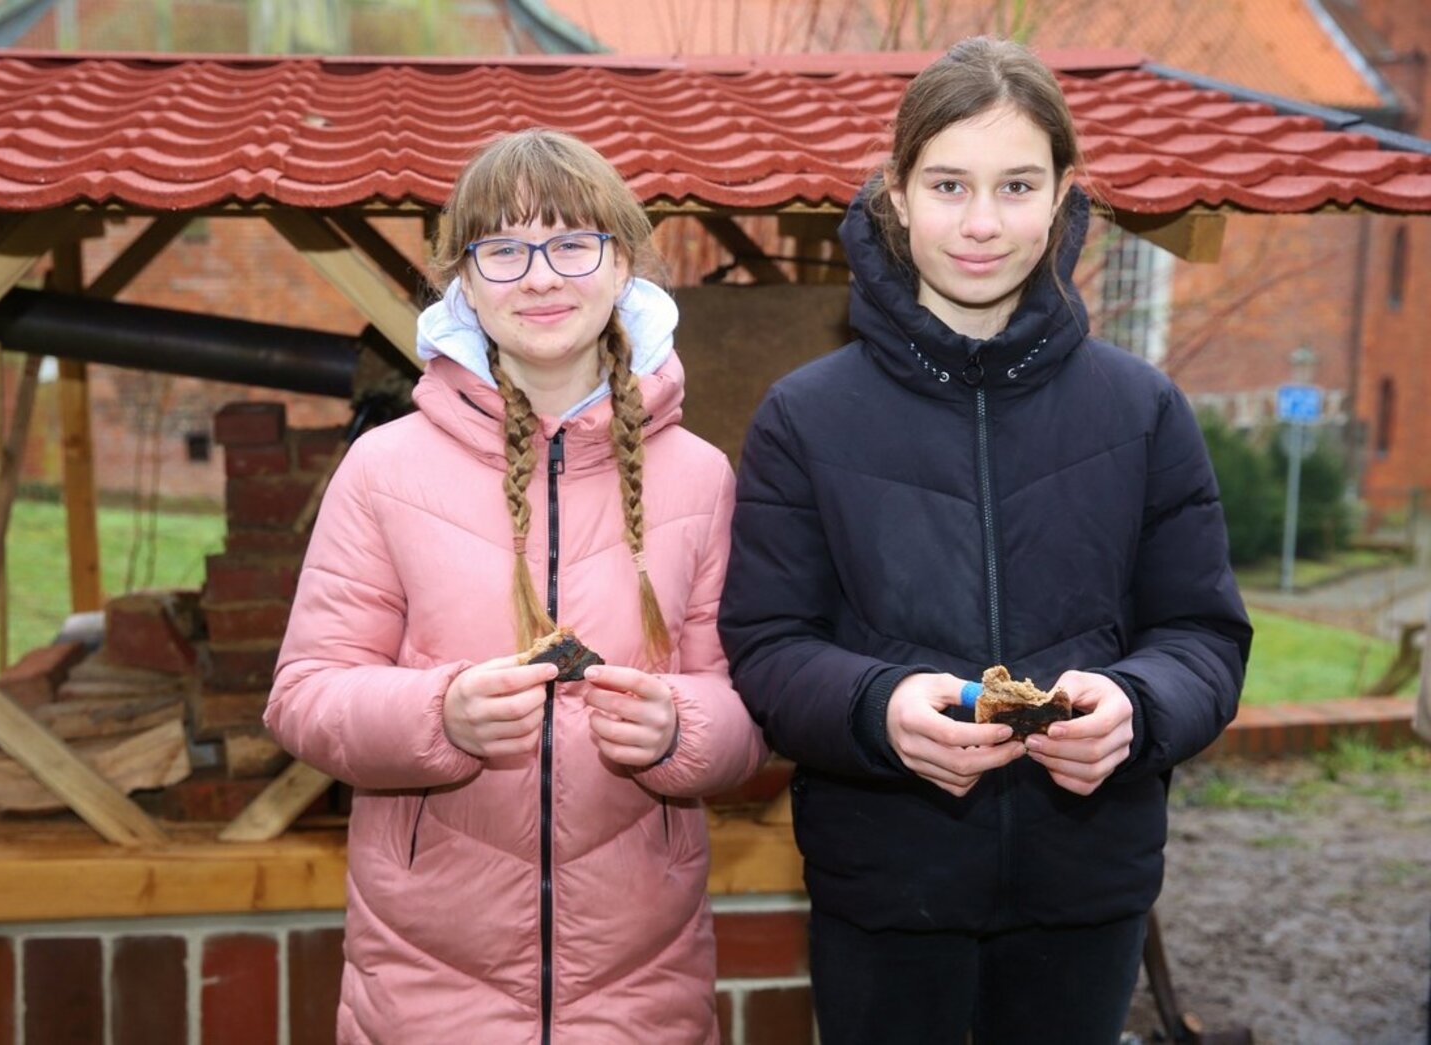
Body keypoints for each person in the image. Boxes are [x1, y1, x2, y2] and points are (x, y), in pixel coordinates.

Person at [718, 36, 1252, 1045]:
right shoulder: (805, 415)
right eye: (948, 184)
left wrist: (1135, 706)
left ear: (1059, 198)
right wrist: (877, 707)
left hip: (1085, 888)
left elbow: (1202, 636)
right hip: (884, 887)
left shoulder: (1140, 411)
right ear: (897, 194)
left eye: (1015, 186)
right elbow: (767, 645)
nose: (978, 223)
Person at [266, 128, 766, 1044]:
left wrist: (678, 729)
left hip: (639, 985)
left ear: (624, 267)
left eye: (574, 243)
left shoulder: (699, 476)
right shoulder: (383, 469)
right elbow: (304, 697)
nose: (541, 277)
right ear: (464, 279)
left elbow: (750, 713)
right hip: (425, 987)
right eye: (503, 249)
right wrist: (439, 715)